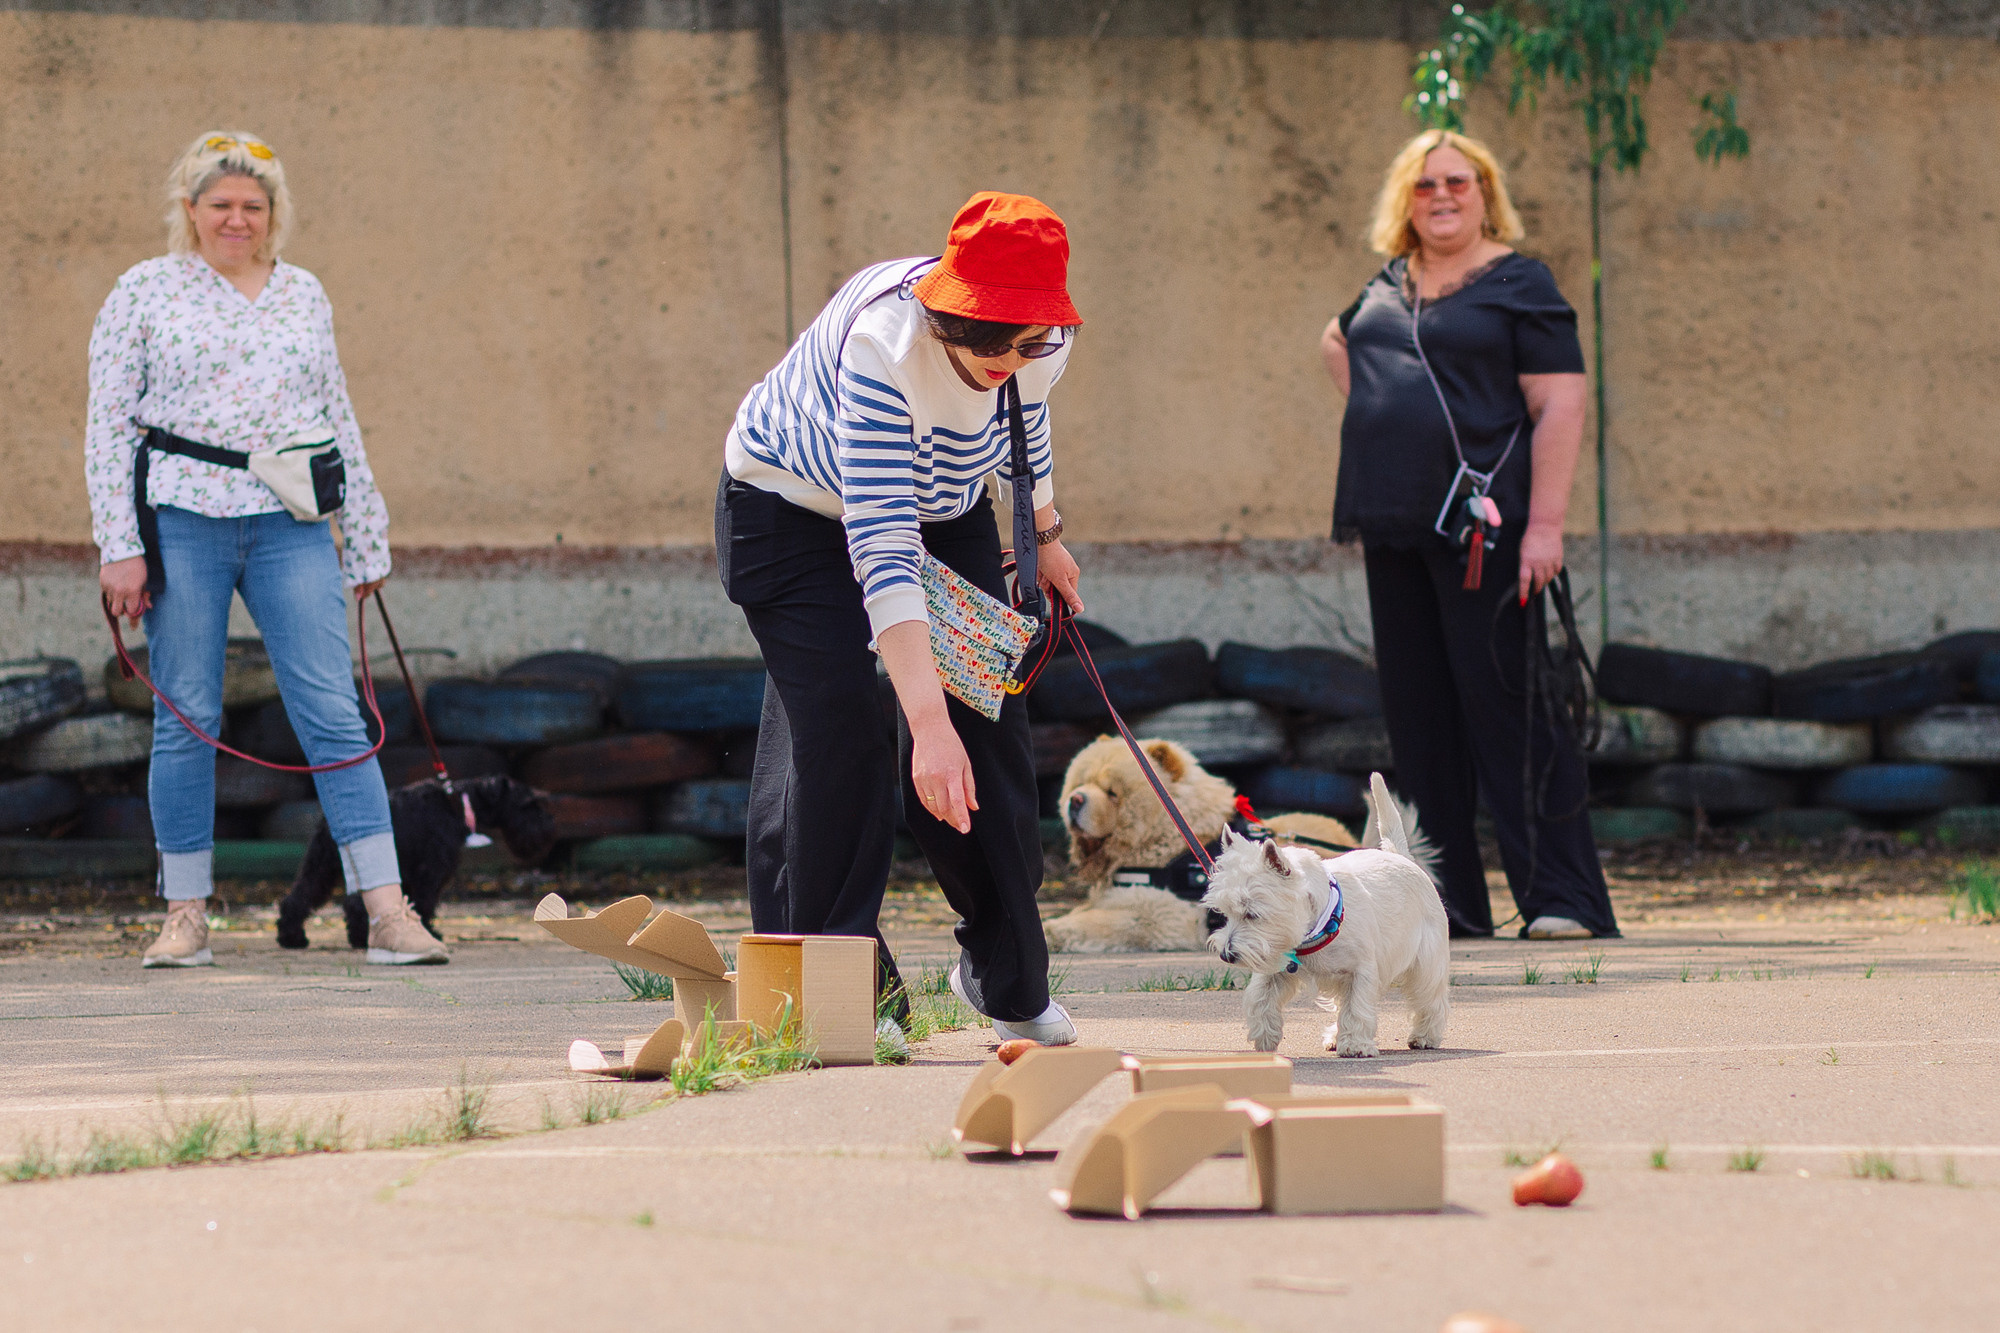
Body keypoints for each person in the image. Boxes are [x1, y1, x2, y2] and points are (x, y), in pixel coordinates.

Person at [717, 191, 1085, 1043]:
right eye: (988, 341)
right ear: (949, 311)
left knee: (989, 724)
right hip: (790, 508)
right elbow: (880, 543)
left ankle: (1007, 979)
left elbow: (1026, 424)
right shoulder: (884, 347)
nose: (1006, 361)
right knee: (839, 731)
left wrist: (1045, 532)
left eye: (1027, 342)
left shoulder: (1040, 340)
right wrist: (925, 722)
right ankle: (837, 991)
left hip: (943, 506)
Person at [87, 131, 445, 968]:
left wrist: (366, 534)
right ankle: (185, 914)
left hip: (291, 523)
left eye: (253, 205)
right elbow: (107, 425)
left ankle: (388, 910)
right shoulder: (143, 291)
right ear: (191, 210)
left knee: (333, 711)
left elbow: (336, 414)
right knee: (187, 713)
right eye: (220, 204)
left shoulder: (303, 293)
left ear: (273, 213)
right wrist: (119, 545)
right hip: (184, 518)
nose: (236, 219)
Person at [1319, 129, 1619, 941]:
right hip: (1395, 528)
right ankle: (1443, 908)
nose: (1441, 195)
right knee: (1419, 724)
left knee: (1513, 713)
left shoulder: (1520, 283)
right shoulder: (1389, 282)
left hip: (1489, 535)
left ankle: (1563, 898)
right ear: (1404, 201)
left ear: (1485, 193)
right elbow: (1340, 342)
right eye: (1424, 185)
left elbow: (1561, 403)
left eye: (1458, 181)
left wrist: (1546, 525)